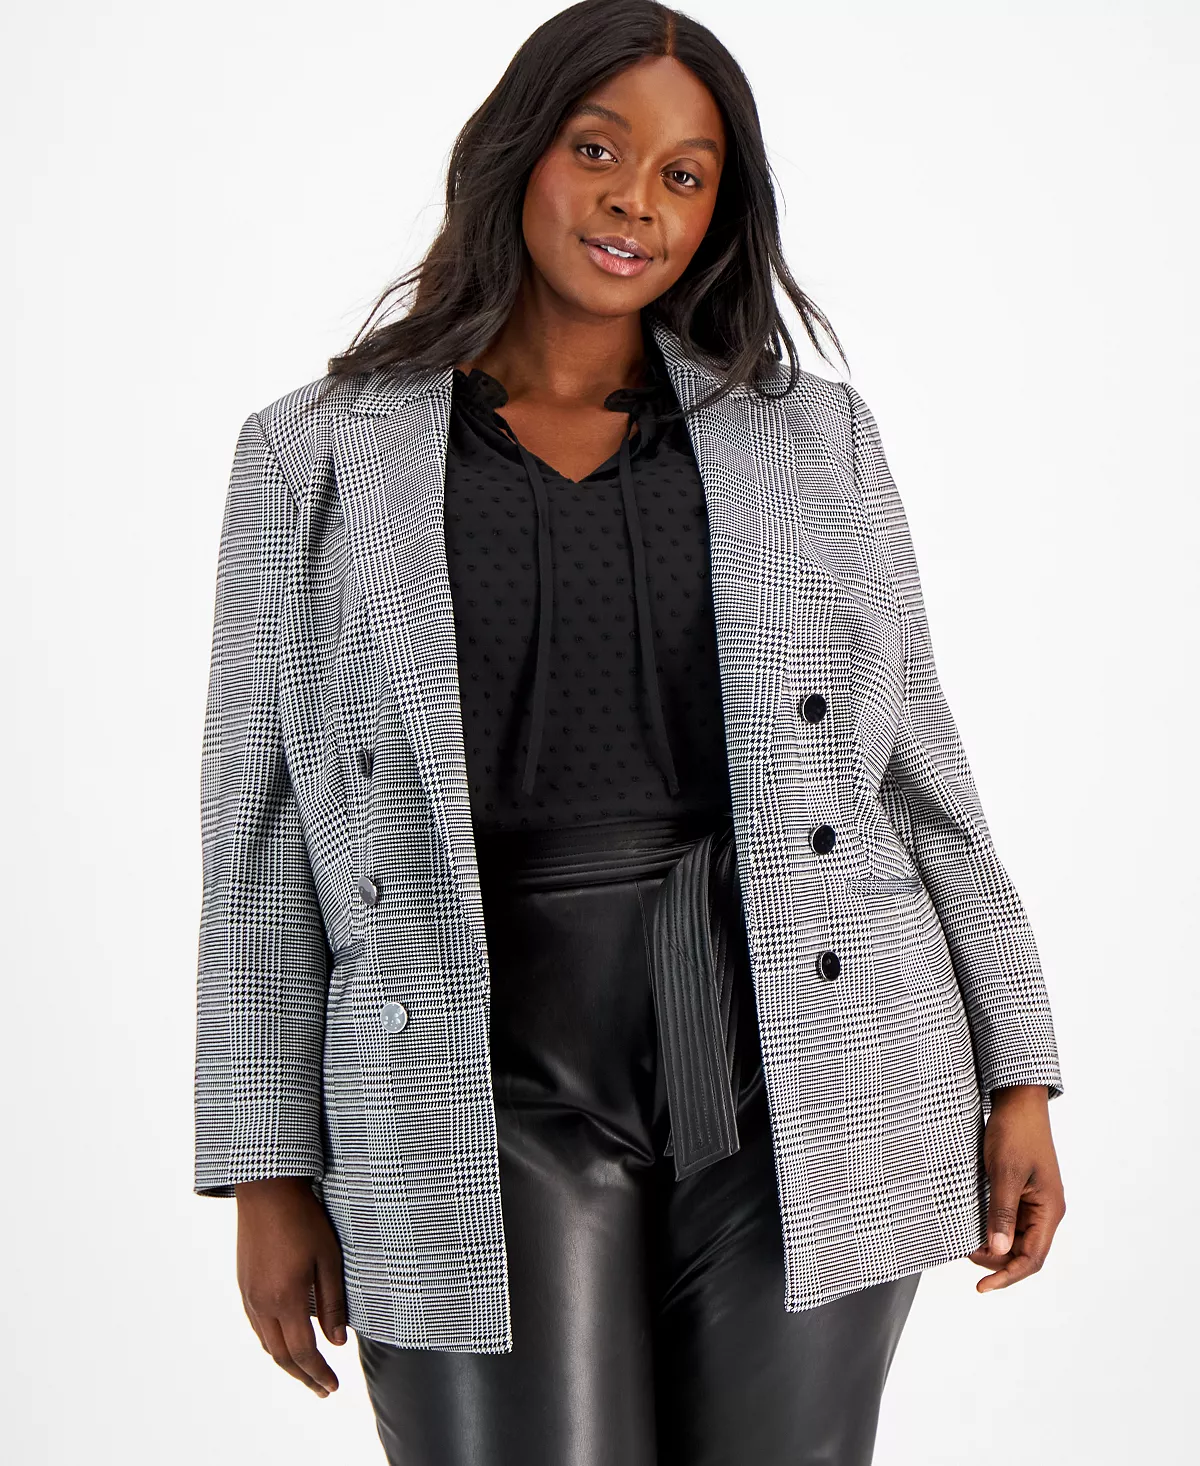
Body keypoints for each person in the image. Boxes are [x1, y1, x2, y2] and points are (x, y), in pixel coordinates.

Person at [194, 3, 1066, 1462]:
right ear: (516, 153)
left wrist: (1018, 1072)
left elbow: (921, 775)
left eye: (684, 174)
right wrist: (266, 1169)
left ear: (721, 209)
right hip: (473, 1057)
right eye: (597, 151)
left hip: (805, 1046)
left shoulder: (814, 439)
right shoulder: (311, 452)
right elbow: (257, 818)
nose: (634, 203)